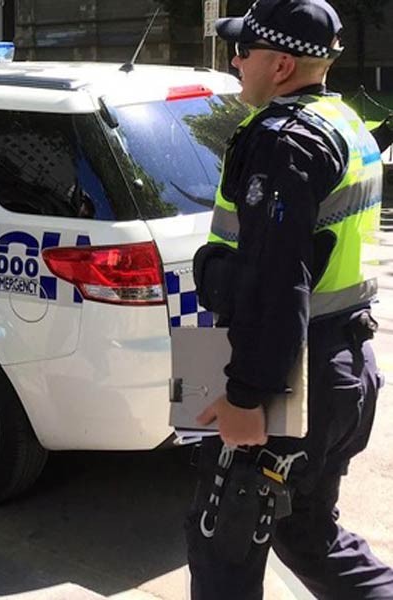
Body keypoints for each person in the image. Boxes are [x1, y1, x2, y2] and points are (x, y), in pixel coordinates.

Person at [185, 0, 393, 598]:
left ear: (278, 66)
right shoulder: (343, 122)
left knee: (224, 543)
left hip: (294, 379)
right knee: (307, 535)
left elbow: (276, 281)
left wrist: (247, 396)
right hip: (344, 367)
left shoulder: (284, 142)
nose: (235, 61)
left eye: (243, 51)